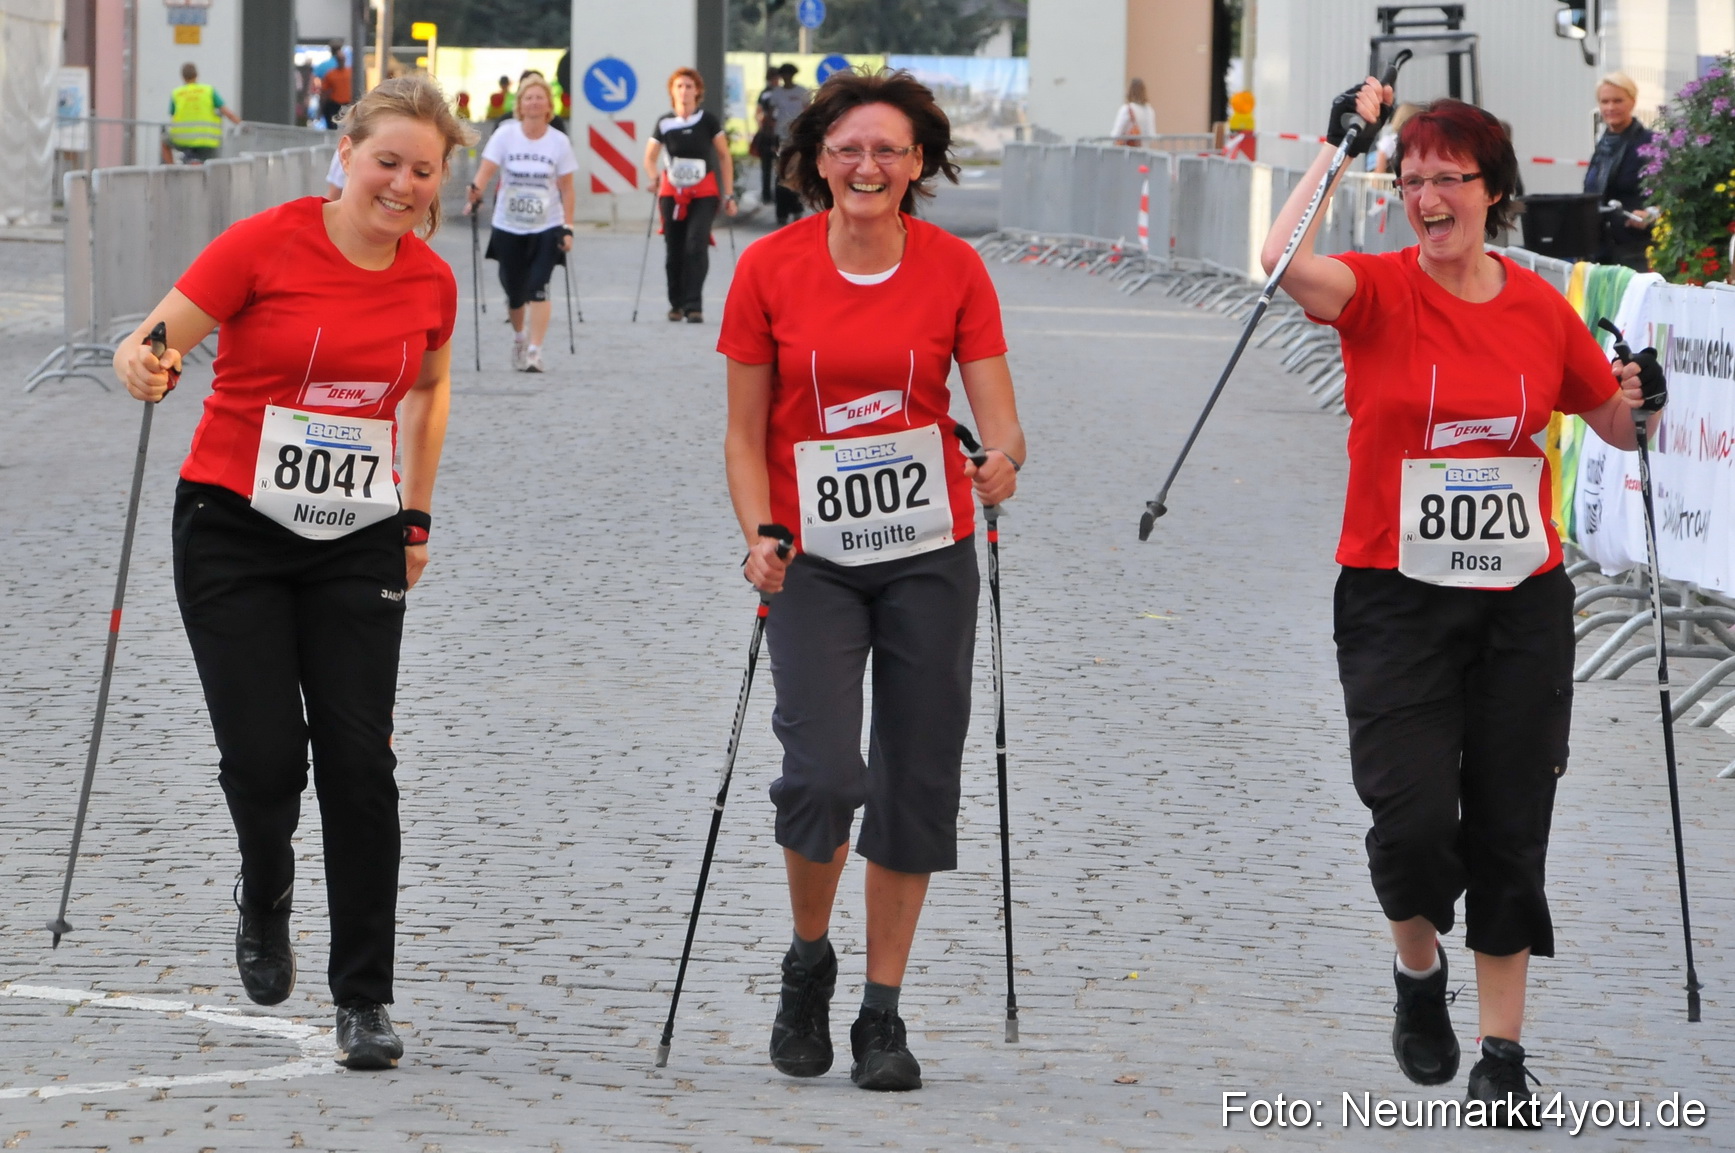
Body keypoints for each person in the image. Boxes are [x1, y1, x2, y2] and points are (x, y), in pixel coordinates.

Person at [1260, 83, 1657, 1124]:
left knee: (1510, 825)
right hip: (1394, 596)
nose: (1428, 197)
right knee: (1413, 821)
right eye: (1414, 179)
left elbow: (1610, 424)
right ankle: (1415, 966)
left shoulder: (1536, 307)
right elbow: (1276, 259)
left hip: (1517, 603)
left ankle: (1502, 1054)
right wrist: (1340, 144)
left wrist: (1639, 399)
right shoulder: (1374, 289)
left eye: (1449, 179)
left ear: (1495, 194)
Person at [111, 75, 472, 1071]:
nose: (400, 184)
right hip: (234, 525)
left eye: (422, 171)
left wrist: (418, 511)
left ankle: (364, 995)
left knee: (362, 763)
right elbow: (148, 344)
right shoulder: (265, 243)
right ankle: (264, 886)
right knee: (267, 757)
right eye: (385, 161)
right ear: (346, 153)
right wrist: (144, 365)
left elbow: (431, 393)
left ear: (442, 183)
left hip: (358, 527)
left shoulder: (432, 281)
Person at [720, 68, 1026, 1093]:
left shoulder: (954, 271)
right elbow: (741, 430)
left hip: (926, 548)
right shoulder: (767, 268)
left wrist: (1003, 461)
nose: (867, 166)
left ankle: (881, 1012)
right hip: (810, 553)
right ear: (814, 159)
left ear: (919, 164)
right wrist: (757, 530)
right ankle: (809, 958)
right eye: (848, 148)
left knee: (915, 774)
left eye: (889, 149)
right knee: (822, 775)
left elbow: (1001, 417)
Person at [465, 74, 576, 372]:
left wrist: (568, 227)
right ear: (520, 105)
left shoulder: (559, 141)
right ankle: (519, 337)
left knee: (539, 286)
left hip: (546, 224)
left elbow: (567, 187)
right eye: (529, 97)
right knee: (514, 291)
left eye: (540, 97)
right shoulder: (506, 135)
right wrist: (474, 193)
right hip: (509, 224)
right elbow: (487, 171)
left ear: (548, 105)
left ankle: (535, 352)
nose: (534, 102)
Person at [644, 67, 736, 323]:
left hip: (704, 192)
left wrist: (729, 195)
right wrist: (653, 177)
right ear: (672, 92)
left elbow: (724, 157)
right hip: (672, 193)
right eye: (679, 87)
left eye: (689, 86)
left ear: (698, 92)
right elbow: (650, 158)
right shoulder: (664, 122)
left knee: (696, 243)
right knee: (674, 249)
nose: (684, 92)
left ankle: (694, 305)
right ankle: (677, 303)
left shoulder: (707, 121)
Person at [1584, 71, 1655, 270]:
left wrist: (1651, 213)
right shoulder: (1603, 143)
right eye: (1604, 101)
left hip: (1635, 251)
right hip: (1598, 249)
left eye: (1618, 101)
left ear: (1632, 102)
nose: (1610, 107)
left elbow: (1673, 192)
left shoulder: (1649, 143)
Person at [765, 63, 812, 225]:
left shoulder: (802, 92)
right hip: (781, 137)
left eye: (789, 74)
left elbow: (809, 113)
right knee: (781, 173)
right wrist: (771, 137)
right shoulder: (776, 94)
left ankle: (797, 208)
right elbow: (770, 116)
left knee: (797, 172)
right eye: (783, 74)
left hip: (798, 137)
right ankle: (781, 211)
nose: (786, 78)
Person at [168, 63, 241, 164]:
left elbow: (172, 114)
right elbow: (227, 113)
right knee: (209, 167)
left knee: (164, 142)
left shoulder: (177, 93)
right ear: (197, 75)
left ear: (182, 77)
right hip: (207, 140)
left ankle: (172, 169)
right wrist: (242, 125)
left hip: (182, 140)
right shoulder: (208, 90)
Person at [754, 68, 783, 206]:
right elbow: (759, 113)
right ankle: (770, 194)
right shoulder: (773, 94)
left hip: (770, 132)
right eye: (775, 78)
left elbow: (758, 113)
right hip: (771, 133)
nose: (777, 81)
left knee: (770, 166)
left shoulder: (764, 93)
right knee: (773, 165)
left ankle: (771, 194)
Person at [315, 40, 353, 129]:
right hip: (335, 103)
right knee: (334, 124)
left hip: (346, 103)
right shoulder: (331, 73)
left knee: (343, 125)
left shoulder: (349, 72)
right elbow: (325, 91)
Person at [1110, 78, 1156, 145]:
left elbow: (1116, 133)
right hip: (1144, 151)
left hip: (1128, 151)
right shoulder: (1149, 110)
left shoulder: (1126, 109)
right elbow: (1151, 135)